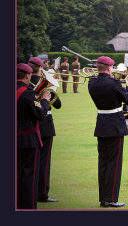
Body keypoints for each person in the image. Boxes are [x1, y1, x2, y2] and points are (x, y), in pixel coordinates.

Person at [88, 56, 128, 208]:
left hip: (101, 123)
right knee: (114, 164)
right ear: (108, 68)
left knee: (103, 163)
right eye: (112, 67)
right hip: (115, 125)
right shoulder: (113, 83)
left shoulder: (92, 83)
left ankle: (103, 198)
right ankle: (111, 198)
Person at [28, 57, 62, 203]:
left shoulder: (25, 83)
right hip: (46, 124)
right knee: (44, 161)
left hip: (29, 125)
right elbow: (58, 104)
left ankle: (29, 192)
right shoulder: (47, 82)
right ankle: (42, 194)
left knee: (29, 161)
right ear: (41, 68)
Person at [17, 63, 51, 209]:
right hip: (28, 141)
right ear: (27, 75)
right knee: (30, 177)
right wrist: (44, 100)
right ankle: (28, 206)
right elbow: (40, 114)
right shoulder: (27, 94)